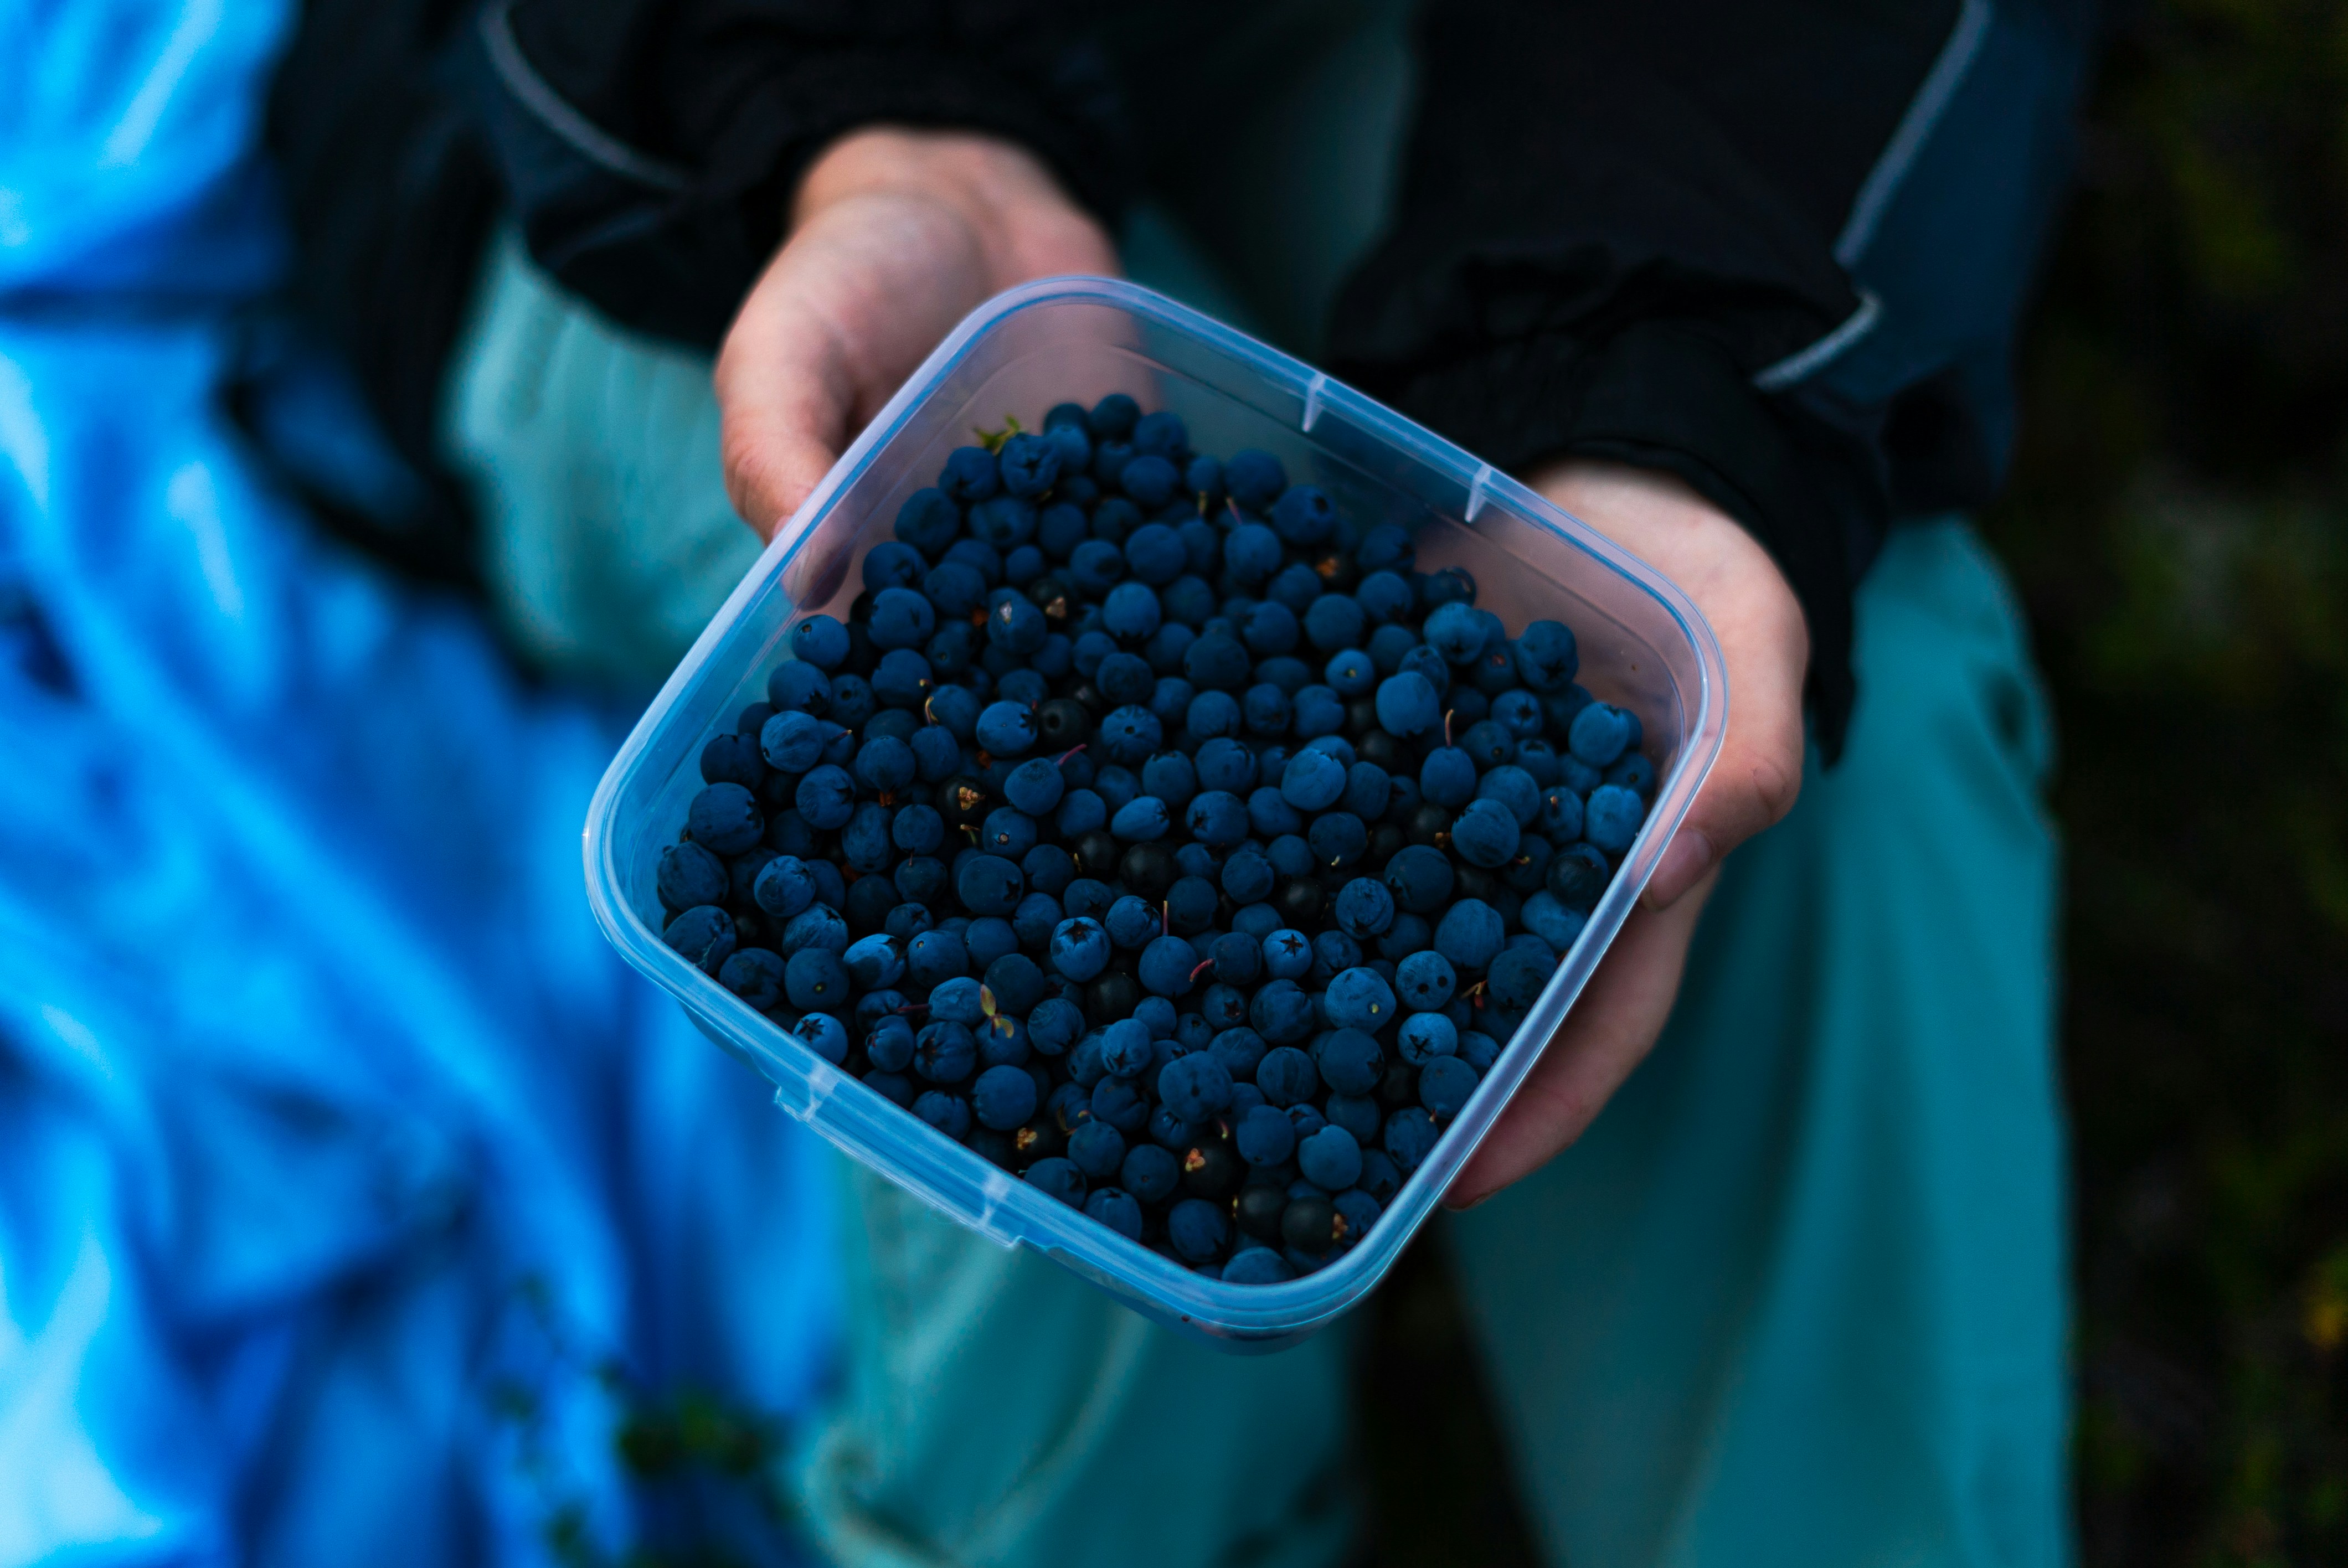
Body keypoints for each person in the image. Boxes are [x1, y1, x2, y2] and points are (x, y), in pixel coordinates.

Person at [280, 1, 2092, 1561]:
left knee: (1806, 679)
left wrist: (1677, 391)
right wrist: (854, 117)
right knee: (1041, 1132)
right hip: (641, 115)